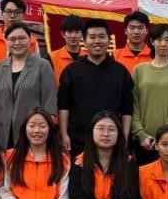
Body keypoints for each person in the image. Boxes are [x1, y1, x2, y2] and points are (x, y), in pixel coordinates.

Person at [57, 19, 134, 155]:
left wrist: (125, 137)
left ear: (109, 40)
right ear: (84, 41)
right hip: (78, 141)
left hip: (111, 141)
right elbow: (64, 106)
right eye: (92, 37)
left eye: (101, 37)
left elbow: (127, 109)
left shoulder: (120, 71)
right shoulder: (72, 70)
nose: (97, 41)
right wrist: (64, 135)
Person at [0, 22, 57, 150]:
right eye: (12, 39)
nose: (17, 43)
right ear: (6, 41)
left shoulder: (42, 66)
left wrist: (42, 131)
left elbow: (50, 104)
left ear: (30, 40)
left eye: (22, 38)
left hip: (32, 134)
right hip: (0, 134)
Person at [130, 23, 168, 165]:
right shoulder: (139, 70)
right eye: (159, 39)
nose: (163, 44)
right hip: (143, 141)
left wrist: (164, 137)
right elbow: (133, 105)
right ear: (151, 41)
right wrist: (141, 134)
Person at [0, 0, 38, 76]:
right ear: (2, 14)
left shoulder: (32, 41)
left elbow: (36, 69)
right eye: (8, 12)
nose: (12, 16)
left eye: (17, 12)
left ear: (23, 15)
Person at [48, 15, 85, 86]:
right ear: (63, 34)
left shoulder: (88, 57)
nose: (73, 36)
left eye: (77, 32)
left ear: (82, 34)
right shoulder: (52, 57)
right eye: (69, 32)